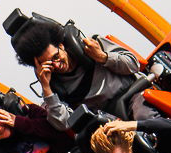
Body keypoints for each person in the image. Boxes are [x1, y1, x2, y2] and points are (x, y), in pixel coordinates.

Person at [10, 17, 158, 129]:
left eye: (56, 56)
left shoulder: (90, 46)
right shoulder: (54, 87)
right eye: (49, 63)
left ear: (61, 46)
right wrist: (47, 89)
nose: (57, 64)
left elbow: (133, 64)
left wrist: (102, 57)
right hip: (108, 120)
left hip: (133, 96)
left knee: (144, 119)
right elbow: (63, 124)